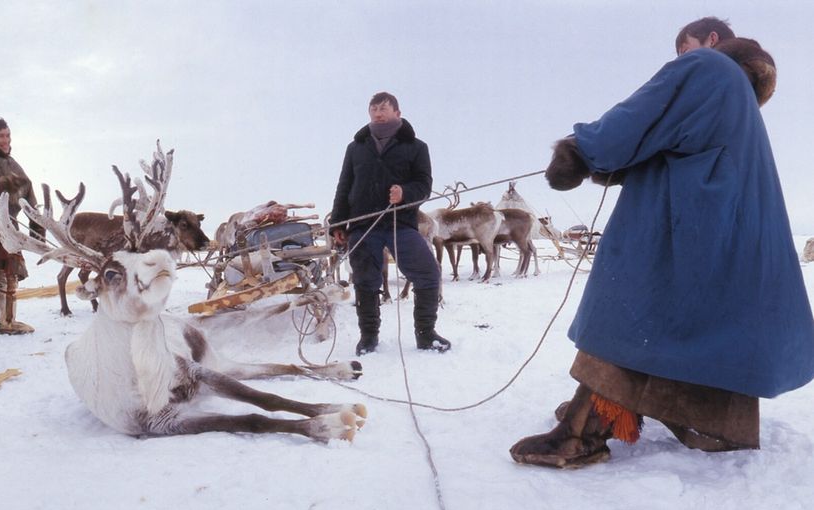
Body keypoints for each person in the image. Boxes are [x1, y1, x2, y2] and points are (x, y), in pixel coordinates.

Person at [509, 38, 813, 468]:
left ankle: (582, 432)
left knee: (632, 310)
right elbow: (671, 139)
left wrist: (580, 152)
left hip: (687, 230)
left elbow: (640, 118)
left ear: (710, 42)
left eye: (681, 47)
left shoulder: (706, 66)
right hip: (728, 235)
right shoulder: (739, 102)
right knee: (705, 330)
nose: (677, 59)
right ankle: (707, 426)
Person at [330, 92, 450, 355]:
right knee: (365, 281)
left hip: (400, 224)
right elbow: (344, 187)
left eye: (383, 108)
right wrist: (338, 223)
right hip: (363, 225)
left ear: (397, 112)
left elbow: (424, 185)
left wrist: (404, 193)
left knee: (428, 272)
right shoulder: (356, 148)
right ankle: (369, 337)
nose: (377, 113)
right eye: (373, 109)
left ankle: (426, 334)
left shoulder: (417, 147)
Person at [0, 118, 43, 335]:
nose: (5, 140)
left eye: (7, 135)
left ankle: (7, 322)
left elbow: (29, 197)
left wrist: (37, 231)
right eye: (0, 136)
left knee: (9, 277)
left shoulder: (14, 164)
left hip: (11, 228)